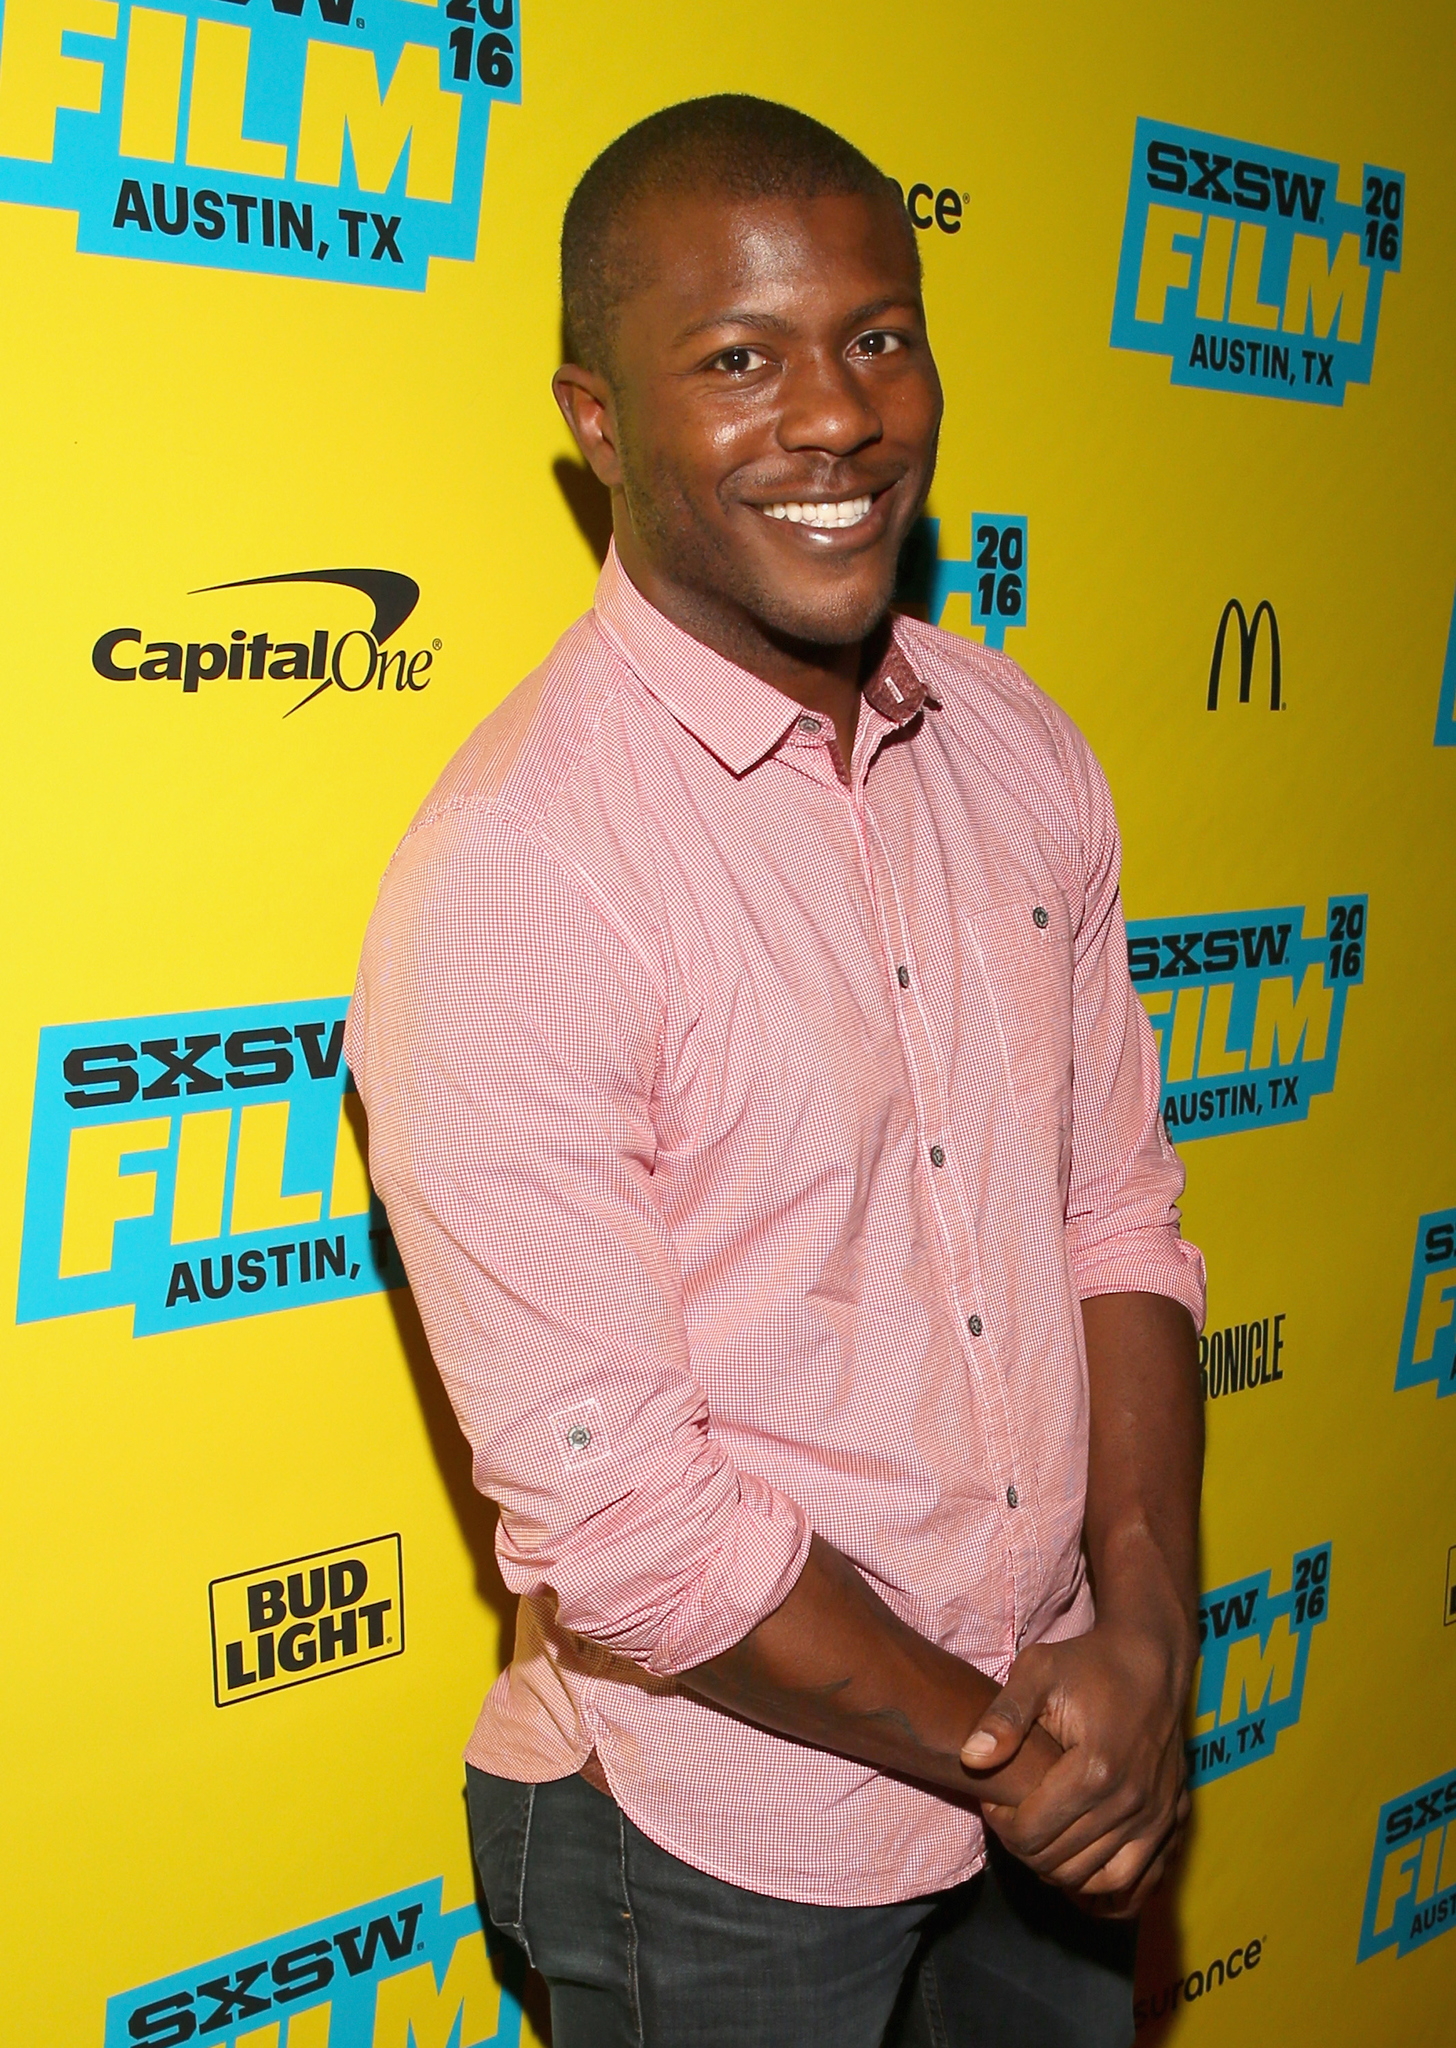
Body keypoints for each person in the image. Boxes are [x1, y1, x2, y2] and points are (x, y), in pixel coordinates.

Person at [345, 93, 1206, 2048]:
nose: (833, 414)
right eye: (736, 358)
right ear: (595, 422)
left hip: (1071, 1750)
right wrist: (1021, 1745)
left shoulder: (1015, 750)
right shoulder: (524, 871)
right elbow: (626, 1515)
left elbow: (1112, 1215)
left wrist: (1142, 1633)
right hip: (720, 1838)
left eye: (874, 336)